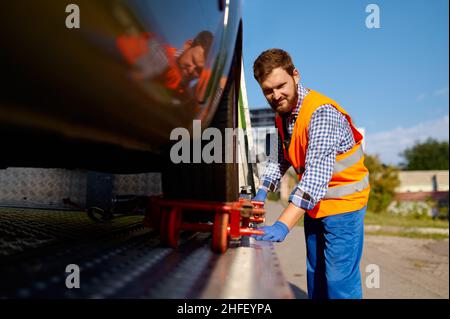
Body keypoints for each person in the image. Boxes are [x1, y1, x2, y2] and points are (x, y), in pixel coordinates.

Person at [251, 48, 370, 299]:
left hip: (343, 204)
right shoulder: (282, 115)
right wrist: (262, 190)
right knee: (315, 273)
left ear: (295, 75)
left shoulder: (321, 112)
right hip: (315, 205)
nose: (276, 95)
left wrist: (283, 224)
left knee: (339, 282)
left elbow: (315, 177)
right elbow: (280, 157)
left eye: (281, 85)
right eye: (268, 91)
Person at [116, 30, 213, 95]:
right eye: (193, 60)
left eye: (198, 70)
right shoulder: (159, 53)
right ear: (188, 45)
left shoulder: (184, 90)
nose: (191, 69)